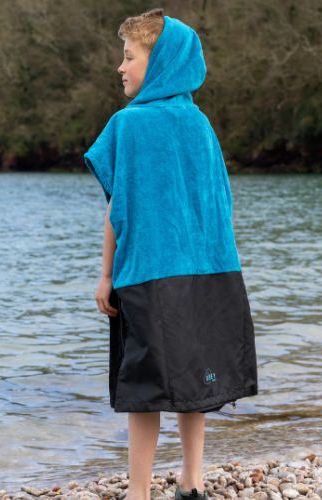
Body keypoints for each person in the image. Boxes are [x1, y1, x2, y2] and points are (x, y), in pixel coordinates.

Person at [83, 8, 259, 500]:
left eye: (129, 56)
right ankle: (192, 479)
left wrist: (104, 276)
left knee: (144, 390)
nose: (120, 67)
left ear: (158, 63)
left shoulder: (129, 124)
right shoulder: (200, 125)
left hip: (148, 274)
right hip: (208, 274)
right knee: (192, 377)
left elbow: (118, 208)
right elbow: (218, 203)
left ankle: (139, 491)